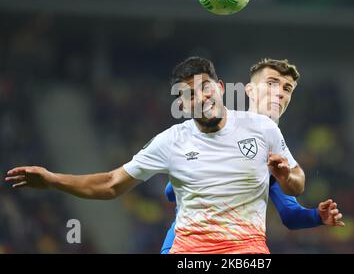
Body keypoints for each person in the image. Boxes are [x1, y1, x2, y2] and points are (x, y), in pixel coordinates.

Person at [5, 56, 305, 254]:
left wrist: (285, 176)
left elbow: (297, 183)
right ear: (183, 105)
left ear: (221, 88)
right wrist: (52, 180)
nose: (201, 98)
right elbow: (111, 184)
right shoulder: (171, 142)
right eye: (189, 94)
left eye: (205, 88)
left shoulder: (261, 128)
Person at [160, 59, 344, 254]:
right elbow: (170, 192)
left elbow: (290, 214)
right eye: (271, 84)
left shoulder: (273, 152)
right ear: (250, 91)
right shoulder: (218, 125)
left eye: (287, 88)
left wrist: (317, 216)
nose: (280, 93)